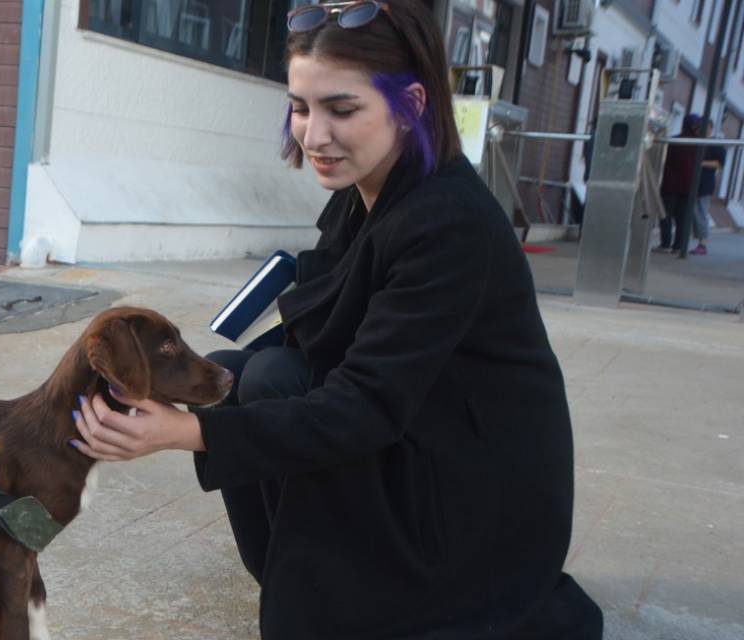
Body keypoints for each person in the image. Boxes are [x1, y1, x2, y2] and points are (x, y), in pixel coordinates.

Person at [66, 0, 604, 637]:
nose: (312, 135)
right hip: (427, 437)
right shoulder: (366, 196)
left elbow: (366, 404)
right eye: (300, 106)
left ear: (411, 104)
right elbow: (319, 335)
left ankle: (344, 594)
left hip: (476, 500)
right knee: (238, 374)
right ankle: (299, 577)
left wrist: (185, 433)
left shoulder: (448, 223)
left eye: (342, 109)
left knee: (261, 386)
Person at [658, 114, 701, 253]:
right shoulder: (699, 145)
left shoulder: (674, 141)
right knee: (682, 217)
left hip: (670, 184)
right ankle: (678, 246)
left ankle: (665, 243)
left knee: (666, 214)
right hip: (688, 186)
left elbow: (664, 160)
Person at [691, 119, 725, 255]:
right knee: (693, 213)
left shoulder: (716, 144)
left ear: (710, 128)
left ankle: (702, 243)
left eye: (702, 127)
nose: (699, 130)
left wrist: (701, 163)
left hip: (705, 185)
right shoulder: (695, 142)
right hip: (691, 183)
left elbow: (719, 164)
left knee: (700, 213)